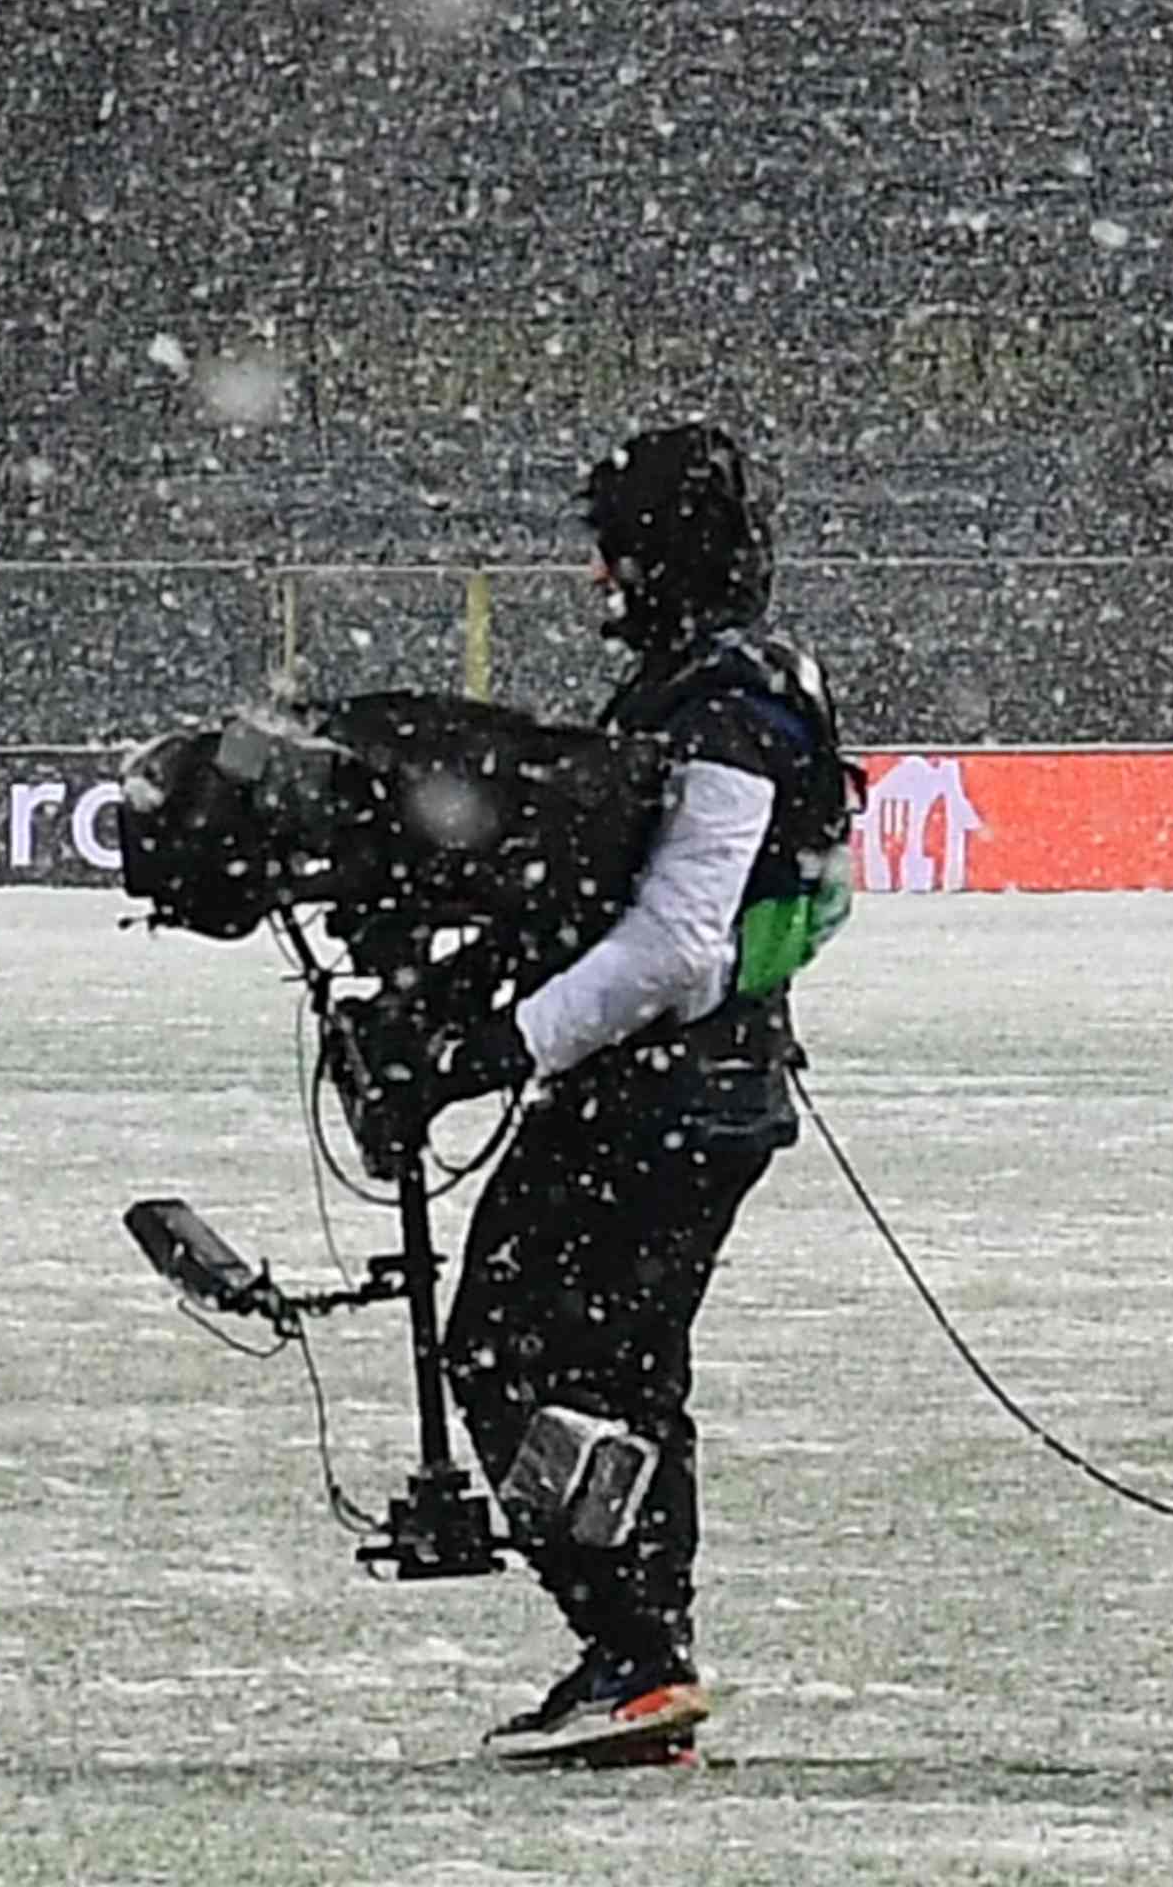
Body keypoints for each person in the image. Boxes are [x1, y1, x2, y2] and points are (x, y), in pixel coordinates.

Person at [323, 421, 857, 1770]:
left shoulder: (723, 708)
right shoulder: (719, 685)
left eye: (613, 552)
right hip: (693, 1097)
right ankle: (637, 1657)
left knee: (506, 1353)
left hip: (666, 1102)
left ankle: (633, 1644)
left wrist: (493, 1054)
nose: (596, 581)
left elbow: (673, 940)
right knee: (621, 1371)